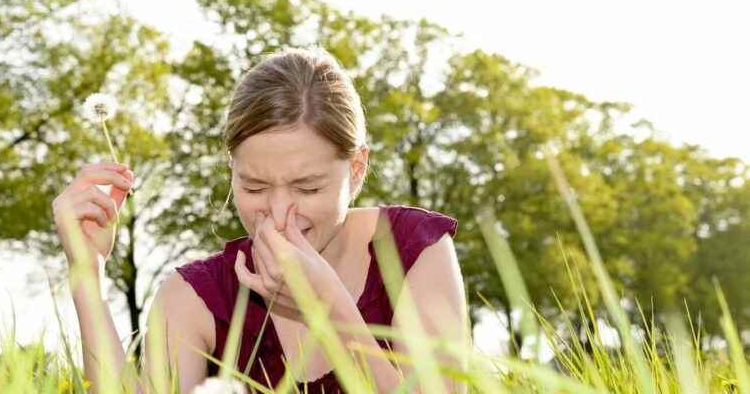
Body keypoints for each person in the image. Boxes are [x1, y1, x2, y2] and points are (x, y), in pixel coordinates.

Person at [52, 47, 468, 393]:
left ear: (357, 168)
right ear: (231, 168)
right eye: (253, 187)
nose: (279, 214)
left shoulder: (413, 251)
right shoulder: (196, 296)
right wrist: (87, 272)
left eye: (308, 188)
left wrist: (331, 310)